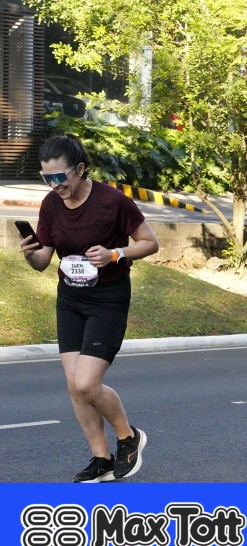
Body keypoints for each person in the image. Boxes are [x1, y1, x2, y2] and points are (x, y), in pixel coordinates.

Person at [19, 134, 159, 482]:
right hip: (70, 298)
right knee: (74, 384)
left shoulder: (113, 202)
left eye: (59, 177)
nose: (54, 185)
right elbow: (42, 261)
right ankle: (101, 458)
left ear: (80, 169)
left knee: (86, 383)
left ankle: (128, 437)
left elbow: (149, 243)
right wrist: (29, 253)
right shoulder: (51, 205)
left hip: (107, 299)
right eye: (46, 178)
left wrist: (115, 254)